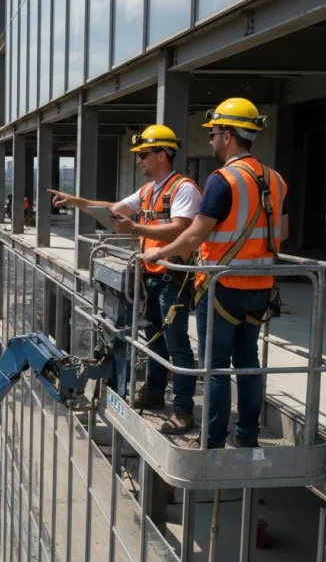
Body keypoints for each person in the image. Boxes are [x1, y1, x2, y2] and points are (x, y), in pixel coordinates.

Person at [144, 98, 288, 449]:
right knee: (249, 360)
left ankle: (212, 439)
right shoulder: (275, 179)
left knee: (215, 367)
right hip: (261, 286)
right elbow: (281, 231)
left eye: (213, 133)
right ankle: (248, 436)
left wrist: (161, 251)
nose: (210, 139)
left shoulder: (222, 180)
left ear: (228, 136)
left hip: (222, 285)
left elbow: (197, 233)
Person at [48, 124, 201, 432]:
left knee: (177, 345)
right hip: (152, 277)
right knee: (155, 341)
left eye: (143, 155)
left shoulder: (182, 189)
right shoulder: (149, 191)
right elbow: (113, 210)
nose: (138, 161)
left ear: (162, 154)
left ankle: (184, 410)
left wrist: (135, 229)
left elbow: (181, 228)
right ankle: (156, 394)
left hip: (173, 277)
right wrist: (76, 201)